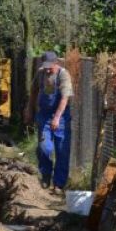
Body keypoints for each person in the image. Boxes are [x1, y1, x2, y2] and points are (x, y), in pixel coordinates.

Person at [23, 51, 73, 193]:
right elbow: (33, 91)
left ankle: (59, 184)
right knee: (44, 147)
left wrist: (57, 117)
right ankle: (46, 174)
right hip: (44, 116)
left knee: (62, 151)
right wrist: (29, 110)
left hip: (61, 117)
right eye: (46, 67)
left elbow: (65, 98)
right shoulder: (40, 73)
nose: (48, 70)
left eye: (50, 66)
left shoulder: (63, 75)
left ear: (56, 63)